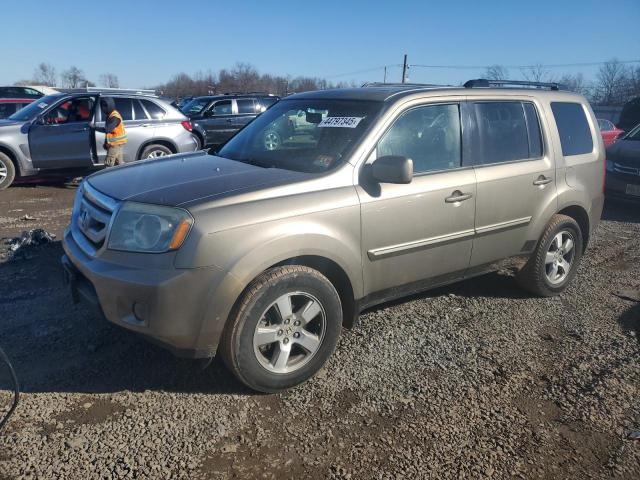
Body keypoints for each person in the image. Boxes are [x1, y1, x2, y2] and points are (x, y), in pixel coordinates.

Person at [92, 97, 127, 167]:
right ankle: (123, 175)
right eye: (102, 106)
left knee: (109, 162)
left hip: (115, 144)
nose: (103, 108)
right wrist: (106, 143)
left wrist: (94, 128)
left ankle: (107, 176)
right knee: (119, 163)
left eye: (105, 106)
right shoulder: (110, 115)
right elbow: (110, 133)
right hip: (116, 143)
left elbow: (108, 129)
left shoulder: (114, 117)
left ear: (110, 105)